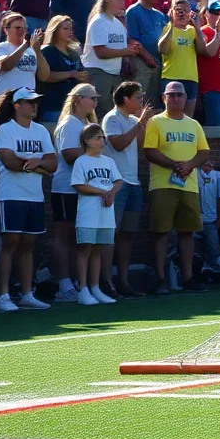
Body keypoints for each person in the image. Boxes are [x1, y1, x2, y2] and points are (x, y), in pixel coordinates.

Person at [143, 80, 210, 293]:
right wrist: (174, 165)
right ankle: (161, 279)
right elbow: (149, 150)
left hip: (188, 185)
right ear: (164, 98)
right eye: (171, 95)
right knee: (161, 232)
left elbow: (204, 151)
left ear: (185, 98)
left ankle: (188, 278)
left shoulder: (194, 124)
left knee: (187, 232)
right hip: (163, 184)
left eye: (179, 95)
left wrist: (189, 165)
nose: (176, 98)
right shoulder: (155, 122)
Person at [0, 88, 56, 312]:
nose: (34, 106)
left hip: (34, 197)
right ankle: (2, 296)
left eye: (36, 102)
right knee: (10, 243)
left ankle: (27, 294)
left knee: (29, 245)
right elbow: (9, 162)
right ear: (17, 105)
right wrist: (39, 165)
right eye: (29, 102)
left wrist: (33, 164)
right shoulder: (5, 130)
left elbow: (53, 164)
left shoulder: (40, 131)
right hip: (10, 195)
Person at [103, 81, 156, 296]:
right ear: (126, 99)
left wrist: (143, 123)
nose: (141, 100)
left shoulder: (134, 120)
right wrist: (140, 122)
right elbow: (118, 144)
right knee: (111, 234)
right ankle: (106, 282)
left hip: (134, 183)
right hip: (117, 184)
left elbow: (141, 146)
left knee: (128, 235)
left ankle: (123, 282)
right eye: (138, 96)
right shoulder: (111, 118)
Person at [50, 83, 100, 304]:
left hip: (81, 189)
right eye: (92, 98)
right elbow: (70, 154)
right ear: (78, 99)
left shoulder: (85, 123)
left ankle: (79, 283)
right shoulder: (70, 124)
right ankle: (63, 284)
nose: (95, 102)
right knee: (64, 236)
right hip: (65, 188)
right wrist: (93, 149)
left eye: (96, 99)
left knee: (78, 238)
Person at [70, 123, 122, 305]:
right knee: (85, 249)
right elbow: (78, 184)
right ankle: (83, 289)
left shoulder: (109, 161)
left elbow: (118, 181)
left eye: (103, 137)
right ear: (87, 140)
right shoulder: (81, 161)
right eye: (98, 137)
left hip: (105, 212)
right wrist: (102, 193)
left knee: (98, 250)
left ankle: (95, 288)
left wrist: (111, 193)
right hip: (88, 212)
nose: (102, 140)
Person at [82, 0, 143, 119]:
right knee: (99, 113)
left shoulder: (118, 24)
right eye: (119, 0)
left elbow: (119, 47)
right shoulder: (98, 21)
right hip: (99, 72)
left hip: (115, 73)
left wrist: (131, 49)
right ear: (108, 0)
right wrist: (126, 51)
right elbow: (101, 52)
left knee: (112, 113)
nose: (123, 3)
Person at [158, 0, 217, 116]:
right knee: (170, 114)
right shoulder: (167, 28)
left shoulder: (193, 30)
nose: (182, 13)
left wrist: (196, 26)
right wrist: (172, 25)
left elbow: (202, 49)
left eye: (185, 10)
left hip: (191, 78)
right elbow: (162, 49)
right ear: (172, 12)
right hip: (171, 76)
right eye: (178, 10)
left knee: (188, 115)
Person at [36, 15, 86, 124]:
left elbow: (79, 73)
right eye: (65, 28)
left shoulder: (73, 53)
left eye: (71, 29)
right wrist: (70, 74)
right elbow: (45, 77)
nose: (70, 31)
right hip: (53, 108)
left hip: (73, 108)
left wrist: (83, 77)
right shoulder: (47, 51)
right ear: (54, 30)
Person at [124, 0, 165, 104]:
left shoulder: (159, 15)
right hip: (141, 61)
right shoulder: (133, 11)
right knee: (140, 97)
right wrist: (147, 57)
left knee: (154, 100)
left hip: (158, 61)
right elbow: (131, 39)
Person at [0, 13, 44, 98]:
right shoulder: (0, 48)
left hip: (27, 101)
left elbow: (44, 75)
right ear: (6, 30)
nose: (22, 31)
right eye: (17, 28)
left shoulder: (31, 50)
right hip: (6, 100)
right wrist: (24, 45)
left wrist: (37, 51)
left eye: (24, 28)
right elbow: (4, 66)